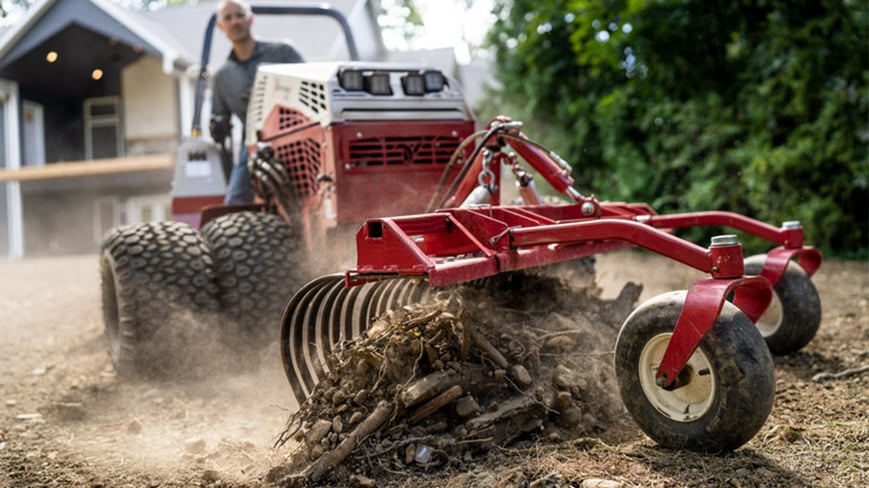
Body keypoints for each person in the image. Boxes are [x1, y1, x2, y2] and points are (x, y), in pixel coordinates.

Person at [210, 0, 304, 205]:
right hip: (254, 142)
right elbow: (220, 118)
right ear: (220, 26)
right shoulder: (222, 77)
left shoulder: (283, 53)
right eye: (228, 18)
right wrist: (218, 125)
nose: (235, 21)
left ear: (250, 19)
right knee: (235, 202)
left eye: (239, 15)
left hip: (297, 134)